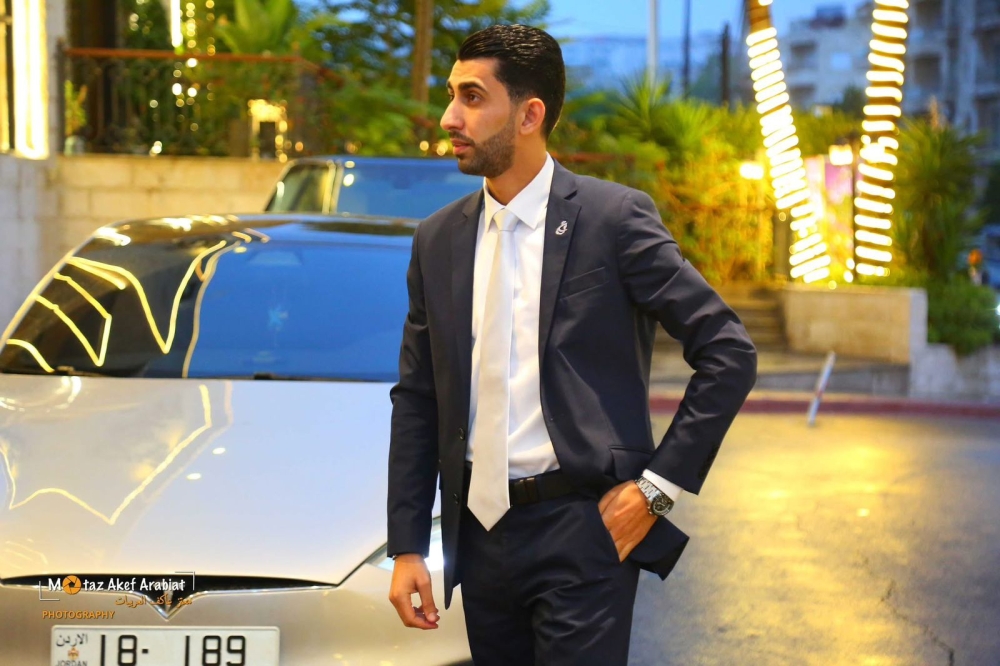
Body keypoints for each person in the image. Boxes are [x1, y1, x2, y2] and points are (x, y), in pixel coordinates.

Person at [387, 24, 758, 666]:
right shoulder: (438, 239)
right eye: (451, 94)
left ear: (530, 115)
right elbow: (419, 396)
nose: (450, 117)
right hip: (479, 537)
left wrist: (656, 490)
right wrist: (408, 545)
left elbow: (728, 351)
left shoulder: (613, 219)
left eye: (472, 97)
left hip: (584, 530)